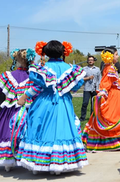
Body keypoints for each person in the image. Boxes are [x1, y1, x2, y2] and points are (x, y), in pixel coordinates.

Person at [16, 40, 88, 175]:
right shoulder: (70, 69)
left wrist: (24, 96)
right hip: (64, 103)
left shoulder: (41, 68)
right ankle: (60, 163)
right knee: (63, 128)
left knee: (40, 127)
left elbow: (37, 86)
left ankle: (38, 162)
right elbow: (76, 87)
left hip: (44, 102)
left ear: (46, 52)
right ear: (63, 52)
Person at [0, 48, 36, 172]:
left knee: (7, 133)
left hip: (10, 110)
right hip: (29, 109)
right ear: (31, 59)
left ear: (17, 59)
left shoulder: (8, 76)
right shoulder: (35, 76)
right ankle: (30, 161)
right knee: (29, 133)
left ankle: (8, 162)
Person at [82, 47, 120, 152]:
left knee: (115, 117)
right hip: (113, 96)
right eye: (116, 54)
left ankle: (117, 141)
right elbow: (106, 82)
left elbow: (112, 81)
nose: (118, 56)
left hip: (116, 96)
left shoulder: (110, 67)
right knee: (113, 118)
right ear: (110, 57)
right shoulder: (110, 68)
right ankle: (114, 142)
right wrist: (103, 92)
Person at [80, 56, 101, 121]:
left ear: (94, 61)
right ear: (87, 61)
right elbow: (81, 78)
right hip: (87, 89)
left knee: (94, 104)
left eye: (92, 60)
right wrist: (88, 78)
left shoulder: (97, 69)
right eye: (89, 60)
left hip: (95, 89)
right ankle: (82, 118)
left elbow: (99, 79)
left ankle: (92, 118)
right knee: (85, 103)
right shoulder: (84, 69)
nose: (90, 61)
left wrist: (98, 88)